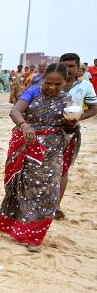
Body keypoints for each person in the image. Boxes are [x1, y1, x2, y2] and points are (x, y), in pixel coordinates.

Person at [0, 64, 83, 252]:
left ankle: (34, 237)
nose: (52, 87)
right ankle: (18, 229)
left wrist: (71, 125)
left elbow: (69, 128)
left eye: (57, 84)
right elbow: (15, 111)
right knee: (23, 189)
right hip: (28, 146)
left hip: (52, 150)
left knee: (48, 192)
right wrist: (25, 126)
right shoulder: (33, 92)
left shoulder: (67, 99)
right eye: (48, 83)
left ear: (65, 83)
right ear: (42, 79)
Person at [56, 53, 97, 220]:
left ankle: (56, 205)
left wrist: (78, 118)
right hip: (46, 131)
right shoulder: (51, 82)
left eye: (71, 65)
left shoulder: (85, 86)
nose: (68, 69)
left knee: (63, 169)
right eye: (64, 65)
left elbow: (94, 108)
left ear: (78, 67)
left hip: (69, 132)